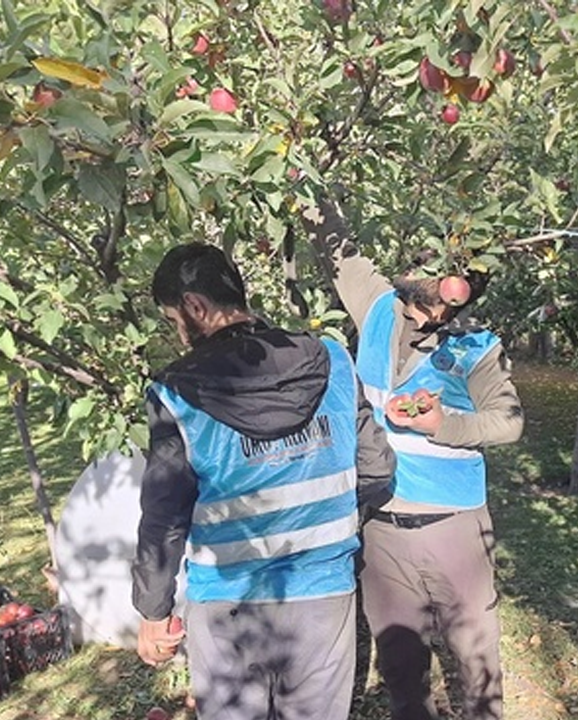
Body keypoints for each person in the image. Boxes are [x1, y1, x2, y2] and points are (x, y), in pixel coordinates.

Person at [132, 243, 395, 720]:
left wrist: (153, 612)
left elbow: (164, 517)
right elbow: (378, 469)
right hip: (324, 592)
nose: (178, 333)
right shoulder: (333, 361)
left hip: (228, 608)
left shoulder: (176, 392)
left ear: (196, 307)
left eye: (174, 320)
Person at [301, 200, 524, 720]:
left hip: (453, 529)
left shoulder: (474, 346)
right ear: (411, 278)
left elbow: (508, 421)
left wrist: (445, 424)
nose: (439, 316)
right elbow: (335, 244)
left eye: (450, 306)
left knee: (476, 665)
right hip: (381, 531)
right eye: (429, 305)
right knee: (401, 670)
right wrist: (296, 176)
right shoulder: (376, 307)